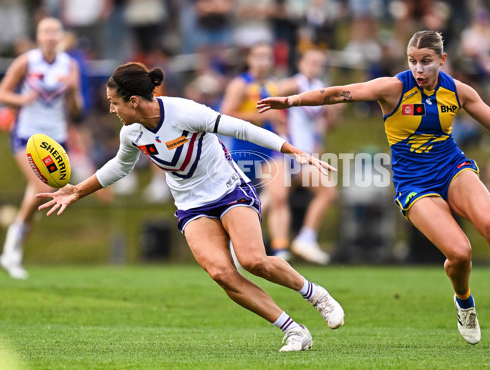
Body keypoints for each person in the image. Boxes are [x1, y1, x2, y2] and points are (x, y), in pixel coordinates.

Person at [258, 30, 490, 344]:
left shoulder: (458, 92)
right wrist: (292, 101)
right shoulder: (393, 88)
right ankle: (464, 302)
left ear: (442, 60)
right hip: (415, 184)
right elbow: (338, 93)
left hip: (453, 169)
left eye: (426, 62)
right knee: (460, 254)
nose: (418, 69)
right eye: (413, 61)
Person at [36, 62, 344, 352]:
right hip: (191, 205)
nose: (111, 109)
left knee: (253, 261)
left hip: (229, 190)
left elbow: (239, 128)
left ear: (133, 101)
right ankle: (294, 330)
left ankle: (316, 295)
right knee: (221, 272)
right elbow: (119, 167)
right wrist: (77, 191)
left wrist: (290, 149)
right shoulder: (131, 133)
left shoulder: (184, 111)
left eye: (114, 102)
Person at [0, 17, 83, 279]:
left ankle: (13, 251)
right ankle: (12, 246)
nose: (49, 36)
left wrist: (71, 91)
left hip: (57, 137)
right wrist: (22, 99)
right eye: (45, 31)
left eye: (54, 32)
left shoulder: (69, 65)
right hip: (26, 134)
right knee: (43, 187)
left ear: (59, 36)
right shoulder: (27, 61)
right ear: (38, 36)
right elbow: (3, 92)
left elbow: (77, 109)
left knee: (35, 194)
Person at [221, 42, 291, 260]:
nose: (264, 62)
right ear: (249, 60)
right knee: (239, 204)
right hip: (243, 151)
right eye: (259, 57)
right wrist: (260, 117)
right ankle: (235, 247)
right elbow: (225, 115)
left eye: (267, 57)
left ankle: (281, 250)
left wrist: (281, 127)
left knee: (279, 197)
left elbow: (277, 118)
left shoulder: (272, 86)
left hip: (269, 151)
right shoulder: (240, 85)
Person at [277, 49, 340, 264]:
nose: (315, 66)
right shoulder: (293, 84)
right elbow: (268, 100)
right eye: (311, 61)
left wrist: (335, 109)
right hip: (291, 152)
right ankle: (304, 239)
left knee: (270, 201)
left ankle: (295, 242)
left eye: (319, 62)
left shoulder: (319, 89)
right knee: (326, 192)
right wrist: (278, 124)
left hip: (305, 153)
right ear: (301, 63)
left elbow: (327, 126)